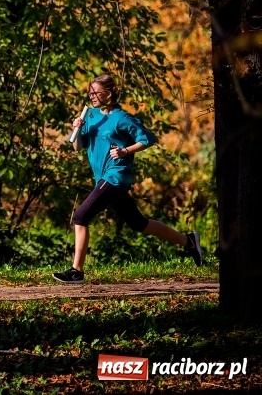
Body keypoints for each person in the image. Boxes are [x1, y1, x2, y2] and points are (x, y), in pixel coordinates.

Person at [53, 74, 204, 284]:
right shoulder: (91, 116)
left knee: (80, 216)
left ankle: (76, 271)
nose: (91, 95)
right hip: (102, 178)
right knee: (138, 223)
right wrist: (76, 128)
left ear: (109, 93)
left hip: (115, 176)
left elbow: (148, 139)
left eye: (95, 92)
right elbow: (78, 146)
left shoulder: (121, 118)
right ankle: (187, 241)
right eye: (90, 92)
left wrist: (125, 151)